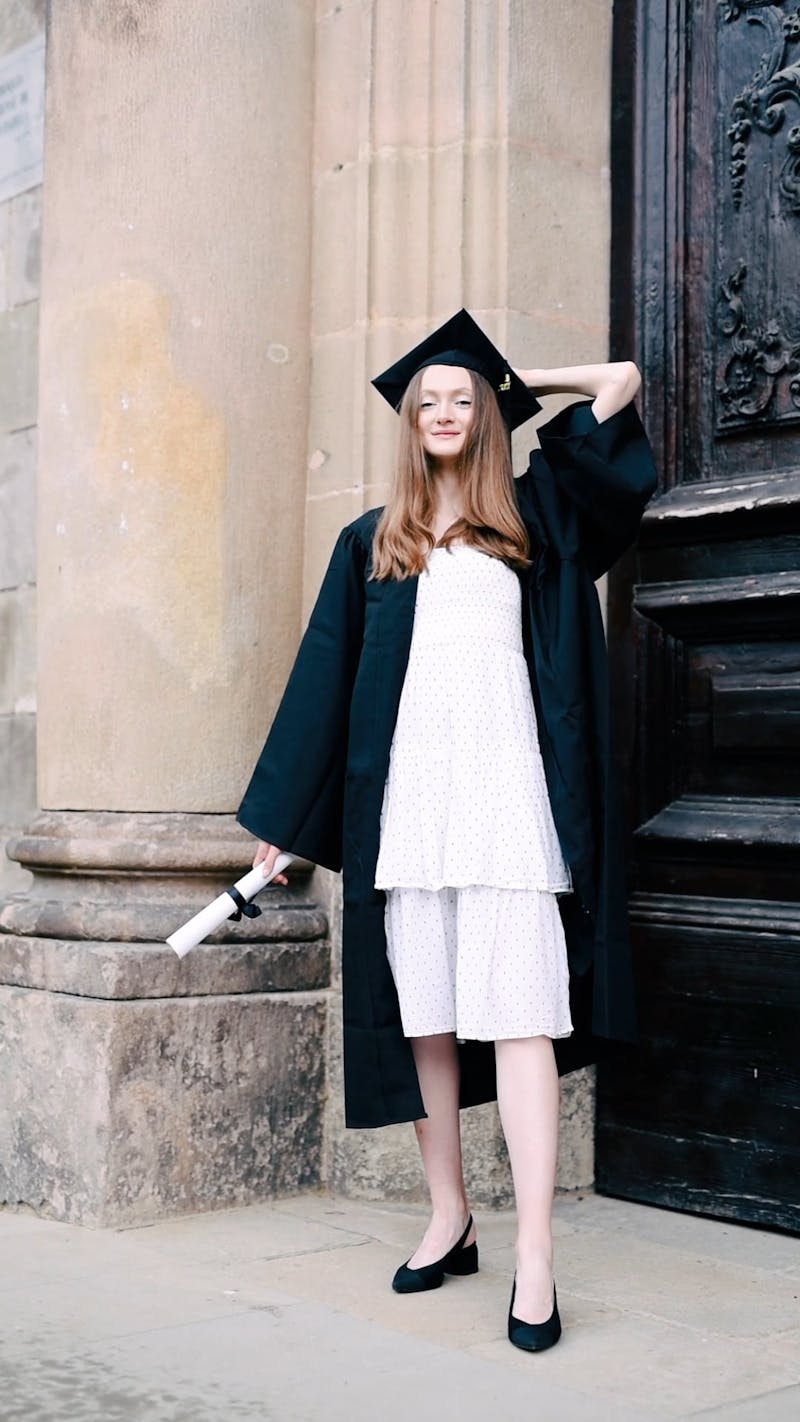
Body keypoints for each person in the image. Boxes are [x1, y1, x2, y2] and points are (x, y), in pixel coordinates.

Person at [237, 309, 658, 1353]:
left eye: (460, 398)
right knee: (424, 1017)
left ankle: (534, 1259)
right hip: (410, 811)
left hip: (507, 803)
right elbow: (320, 691)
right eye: (426, 399)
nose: (440, 411)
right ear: (407, 422)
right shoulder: (371, 542)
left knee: (519, 1018)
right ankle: (449, 1216)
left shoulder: (538, 523)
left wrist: (513, 374)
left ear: (486, 416)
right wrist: (282, 827)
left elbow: (617, 383)